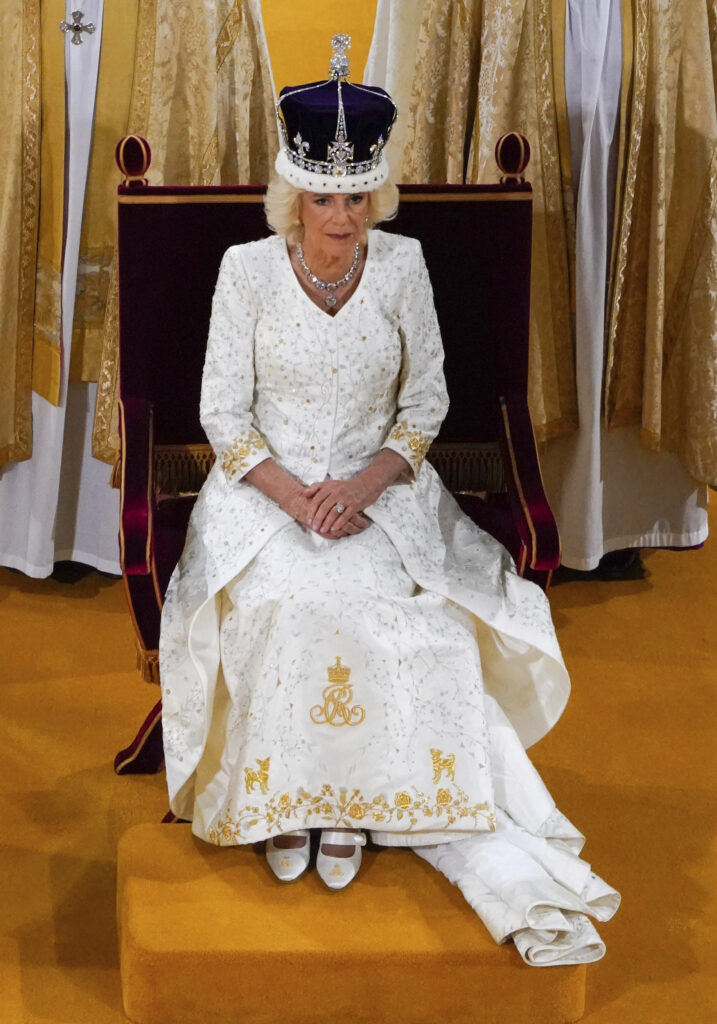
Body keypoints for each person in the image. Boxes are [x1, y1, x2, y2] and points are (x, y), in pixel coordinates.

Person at [159, 35, 619, 965]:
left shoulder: (402, 266)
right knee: (288, 604)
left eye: (357, 196)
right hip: (263, 493)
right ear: (293, 197)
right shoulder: (244, 272)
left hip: (383, 491)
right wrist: (297, 498)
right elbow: (220, 408)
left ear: (378, 194)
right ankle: (292, 802)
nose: (343, 216)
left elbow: (426, 401)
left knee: (409, 614)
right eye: (325, 197)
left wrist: (366, 483)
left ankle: (361, 806)